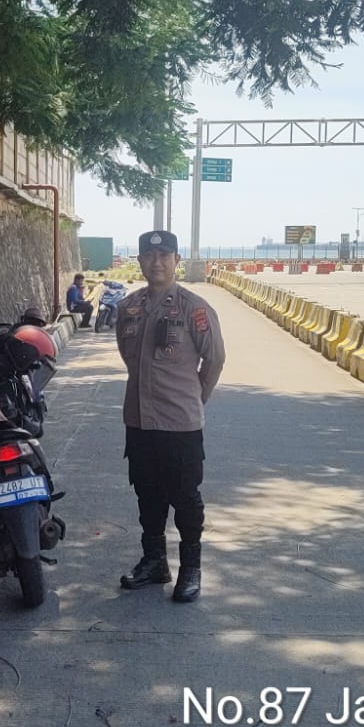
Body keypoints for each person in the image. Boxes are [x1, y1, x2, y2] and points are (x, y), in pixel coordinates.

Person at [115, 230, 226, 603]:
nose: (157, 262)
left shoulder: (195, 309)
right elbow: (128, 356)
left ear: (177, 260)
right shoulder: (128, 307)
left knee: (185, 498)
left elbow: (215, 359)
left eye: (165, 255)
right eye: (149, 256)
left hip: (180, 424)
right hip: (139, 420)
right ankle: (154, 562)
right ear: (140, 261)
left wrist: (195, 397)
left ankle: (190, 569)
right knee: (147, 493)